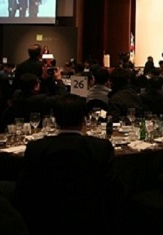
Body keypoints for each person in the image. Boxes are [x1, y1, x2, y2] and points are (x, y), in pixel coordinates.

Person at [16, 94, 120, 234]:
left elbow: (25, 188)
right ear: (84, 119)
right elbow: (111, 188)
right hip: (91, 215)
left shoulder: (36, 148)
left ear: (55, 119)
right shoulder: (101, 147)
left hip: (46, 216)